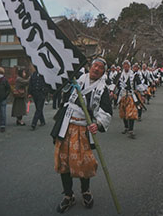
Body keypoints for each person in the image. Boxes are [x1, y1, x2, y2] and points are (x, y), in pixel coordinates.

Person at [51, 58, 112, 213]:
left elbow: (106, 111)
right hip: (66, 126)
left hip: (83, 129)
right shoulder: (76, 81)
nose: (96, 69)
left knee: (84, 162)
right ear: (90, 67)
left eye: (100, 68)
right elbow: (62, 98)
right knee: (64, 161)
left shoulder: (102, 89)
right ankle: (68, 195)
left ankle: (86, 191)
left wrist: (97, 123)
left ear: (103, 73)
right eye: (95, 66)